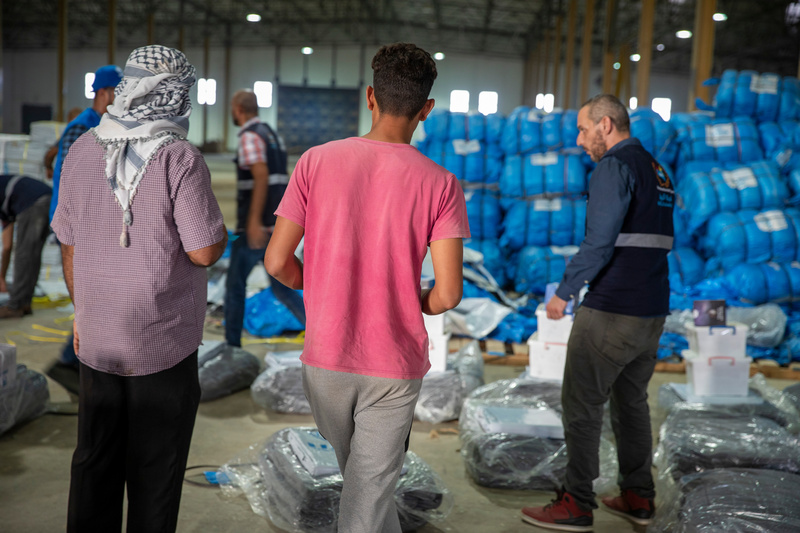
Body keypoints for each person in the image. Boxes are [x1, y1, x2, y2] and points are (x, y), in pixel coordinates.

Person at [265, 42, 469, 533]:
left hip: (326, 356)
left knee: (361, 486)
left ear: (370, 98)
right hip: (393, 364)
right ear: (427, 109)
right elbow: (447, 296)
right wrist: (410, 299)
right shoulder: (441, 184)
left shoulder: (316, 161)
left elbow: (276, 262)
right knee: (368, 492)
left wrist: (318, 288)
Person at [50, 45, 227, 533]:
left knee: (95, 460)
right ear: (173, 95)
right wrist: (220, 230)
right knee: (155, 470)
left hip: (97, 338)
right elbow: (204, 251)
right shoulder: (178, 156)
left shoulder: (84, 147)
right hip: (161, 344)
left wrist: (82, 314)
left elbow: (67, 240)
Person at [520, 94, 674, 532]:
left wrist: (564, 292)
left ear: (606, 125)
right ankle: (638, 495)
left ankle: (576, 503)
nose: (580, 140)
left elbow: (599, 242)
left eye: (584, 129)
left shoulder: (614, 167)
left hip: (611, 310)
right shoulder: (658, 171)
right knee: (631, 404)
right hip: (651, 312)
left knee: (582, 405)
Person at [46, 64, 123, 392]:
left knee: (100, 295)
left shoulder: (105, 125)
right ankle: (67, 362)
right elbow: (73, 183)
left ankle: (80, 360)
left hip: (96, 225)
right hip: (80, 228)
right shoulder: (84, 128)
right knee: (92, 297)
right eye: (117, 93)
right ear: (103, 92)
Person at [225, 89, 305, 348]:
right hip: (276, 225)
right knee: (283, 288)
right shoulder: (272, 135)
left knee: (235, 289)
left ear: (238, 109)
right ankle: (320, 335)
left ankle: (231, 348)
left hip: (255, 228)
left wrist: (253, 223)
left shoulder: (249, 136)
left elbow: (260, 177)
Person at [0, 175, 53, 318]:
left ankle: (15, 306)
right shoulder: (7, 197)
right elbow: (7, 245)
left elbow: (7, 246)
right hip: (49, 200)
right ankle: (24, 304)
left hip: (35, 204)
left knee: (25, 255)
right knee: (31, 255)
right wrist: (2, 278)